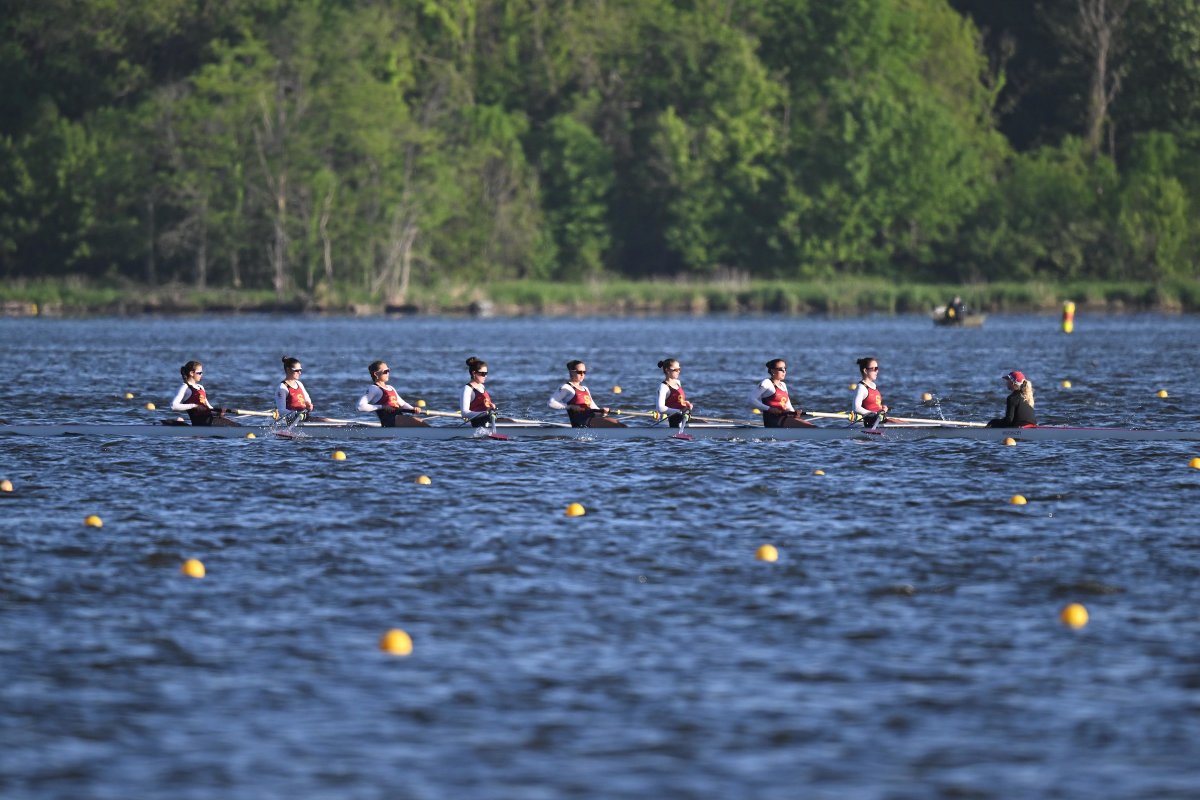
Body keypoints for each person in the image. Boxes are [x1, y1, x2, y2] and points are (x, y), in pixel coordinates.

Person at [548, 360, 624, 427]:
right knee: (615, 424)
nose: (582, 375)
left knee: (620, 424)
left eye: (584, 372)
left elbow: (594, 408)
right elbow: (551, 403)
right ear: (571, 372)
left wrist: (603, 412)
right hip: (581, 422)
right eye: (579, 372)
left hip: (591, 418)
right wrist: (570, 406)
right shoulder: (566, 387)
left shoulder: (585, 389)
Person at [357, 360, 426, 427]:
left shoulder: (391, 388)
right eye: (385, 371)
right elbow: (360, 407)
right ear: (376, 374)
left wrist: (413, 409)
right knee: (419, 423)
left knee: (419, 422)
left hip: (399, 417)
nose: (388, 373)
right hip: (390, 421)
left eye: (388, 371)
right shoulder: (374, 388)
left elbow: (403, 404)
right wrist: (382, 406)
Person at [170, 361, 238, 426]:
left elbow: (209, 408)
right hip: (201, 423)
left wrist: (218, 412)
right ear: (191, 373)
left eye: (202, 373)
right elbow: (173, 406)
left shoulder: (200, 387)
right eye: (199, 373)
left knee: (236, 425)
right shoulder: (184, 387)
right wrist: (194, 406)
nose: (201, 375)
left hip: (210, 421)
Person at [749, 359, 814, 427]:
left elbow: (788, 406)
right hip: (773, 420)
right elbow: (751, 399)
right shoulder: (767, 383)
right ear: (772, 371)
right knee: (811, 427)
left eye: (785, 368)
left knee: (812, 426)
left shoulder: (783, 385)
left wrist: (795, 413)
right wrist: (769, 409)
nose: (784, 371)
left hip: (784, 418)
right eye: (780, 369)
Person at [461, 356, 500, 428]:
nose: (485, 376)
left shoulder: (482, 387)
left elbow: (483, 405)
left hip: (488, 420)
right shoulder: (467, 389)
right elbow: (464, 413)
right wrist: (484, 413)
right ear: (474, 373)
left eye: (486, 373)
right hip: (477, 423)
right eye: (483, 374)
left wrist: (491, 407)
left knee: (511, 421)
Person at [655, 358, 694, 428]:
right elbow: (660, 408)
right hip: (673, 419)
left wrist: (685, 403)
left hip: (683, 416)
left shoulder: (678, 382)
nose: (678, 371)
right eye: (675, 370)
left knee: (706, 423)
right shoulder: (663, 387)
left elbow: (677, 400)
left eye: (679, 369)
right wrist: (680, 410)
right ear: (667, 370)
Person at [276, 356, 316, 420]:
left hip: (303, 418)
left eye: (300, 370)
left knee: (328, 421)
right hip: (290, 421)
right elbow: (281, 411)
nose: (300, 373)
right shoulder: (282, 388)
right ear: (288, 370)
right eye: (296, 370)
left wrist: (309, 405)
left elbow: (307, 401)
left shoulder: (299, 384)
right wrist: (296, 414)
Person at [852, 357, 888, 427]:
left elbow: (874, 405)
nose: (877, 371)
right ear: (865, 371)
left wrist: (883, 408)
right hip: (871, 423)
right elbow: (856, 408)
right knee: (908, 426)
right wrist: (874, 413)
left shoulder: (874, 386)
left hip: (880, 420)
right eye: (874, 369)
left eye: (877, 368)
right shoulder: (861, 387)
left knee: (905, 423)